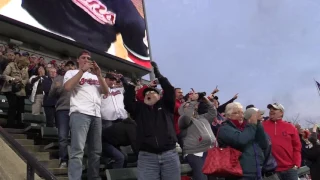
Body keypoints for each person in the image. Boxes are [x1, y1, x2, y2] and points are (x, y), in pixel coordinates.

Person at [123, 62, 180, 180]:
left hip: (169, 154)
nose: (149, 94)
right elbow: (128, 103)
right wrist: (131, 85)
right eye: (146, 94)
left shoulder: (166, 106)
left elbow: (169, 90)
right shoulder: (139, 109)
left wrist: (159, 75)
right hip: (147, 157)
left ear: (159, 96)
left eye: (152, 92)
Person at [63, 50, 109, 180]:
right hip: (80, 113)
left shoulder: (95, 77)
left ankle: (93, 177)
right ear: (78, 60)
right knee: (77, 151)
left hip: (96, 115)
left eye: (88, 58)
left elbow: (106, 92)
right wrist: (82, 71)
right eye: (83, 57)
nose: (86, 60)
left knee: (96, 151)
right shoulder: (71, 72)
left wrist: (100, 75)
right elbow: (67, 87)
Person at [218, 103, 269, 180]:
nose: (241, 115)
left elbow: (264, 144)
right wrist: (252, 124)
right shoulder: (225, 129)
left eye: (242, 112)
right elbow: (241, 140)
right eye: (236, 113)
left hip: (256, 172)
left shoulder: (247, 128)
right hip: (238, 174)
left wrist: (258, 124)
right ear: (228, 115)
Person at [178, 92, 217, 180]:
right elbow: (187, 117)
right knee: (201, 177)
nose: (190, 106)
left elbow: (213, 113)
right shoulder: (183, 119)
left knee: (213, 177)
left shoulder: (202, 117)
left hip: (208, 151)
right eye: (187, 105)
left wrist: (207, 101)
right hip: (194, 153)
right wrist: (192, 101)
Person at [263, 103, 301, 180]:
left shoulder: (290, 127)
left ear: (281, 112)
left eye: (275, 109)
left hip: (290, 169)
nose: (271, 111)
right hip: (271, 171)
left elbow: (297, 147)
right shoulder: (262, 126)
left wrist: (296, 164)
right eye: (270, 109)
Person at [49, 60, 76, 168]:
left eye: (72, 65)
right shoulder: (58, 78)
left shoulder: (79, 78)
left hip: (76, 110)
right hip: (62, 110)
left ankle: (74, 161)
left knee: (76, 138)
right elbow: (51, 94)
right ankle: (63, 160)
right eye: (67, 66)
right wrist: (56, 87)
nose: (69, 67)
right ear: (64, 68)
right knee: (63, 136)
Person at [1, 57, 29, 128]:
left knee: (21, 108)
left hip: (21, 90)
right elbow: (4, 75)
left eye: (24, 66)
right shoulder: (11, 65)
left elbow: (27, 79)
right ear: (19, 62)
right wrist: (13, 79)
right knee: (13, 105)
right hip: (10, 89)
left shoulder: (25, 68)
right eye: (22, 65)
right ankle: (10, 124)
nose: (23, 67)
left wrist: (21, 81)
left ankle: (19, 125)